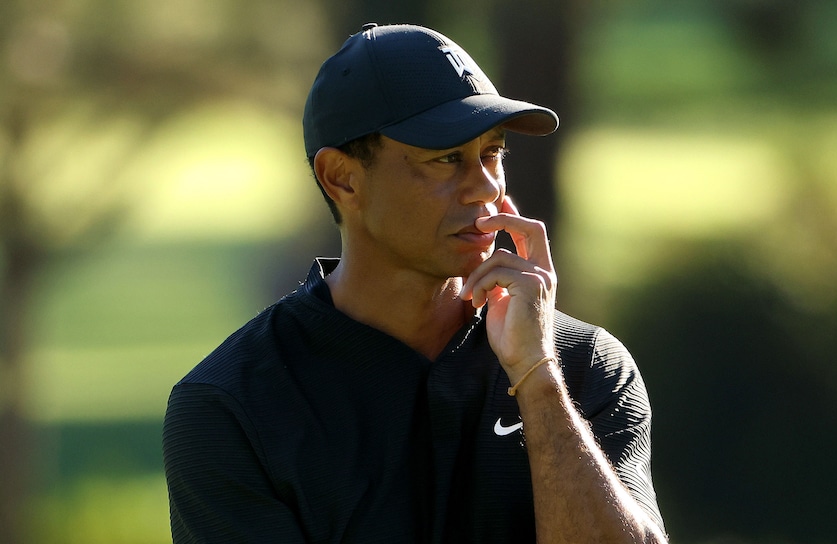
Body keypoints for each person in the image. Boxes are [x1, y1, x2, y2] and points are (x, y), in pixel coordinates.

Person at [163, 23, 667, 543]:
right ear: (343, 178)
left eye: (492, 154)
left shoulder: (581, 366)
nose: (486, 188)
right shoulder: (231, 406)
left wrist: (537, 378)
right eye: (446, 158)